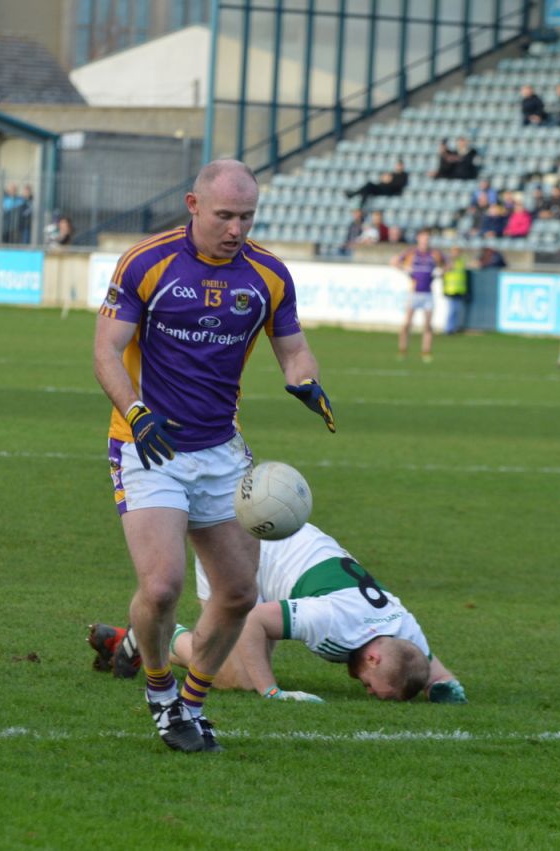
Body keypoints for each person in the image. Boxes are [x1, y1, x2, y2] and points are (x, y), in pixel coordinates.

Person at [92, 159, 335, 753]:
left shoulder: (269, 276)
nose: (236, 228)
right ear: (193, 205)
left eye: (247, 216)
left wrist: (305, 379)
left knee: (238, 594)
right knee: (162, 588)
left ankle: (191, 705)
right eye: (225, 215)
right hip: (147, 443)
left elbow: (294, 347)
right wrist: (138, 412)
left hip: (222, 451)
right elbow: (106, 349)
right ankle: (158, 691)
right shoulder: (147, 262)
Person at [88, 523, 467, 704]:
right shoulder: (332, 619)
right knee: (231, 674)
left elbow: (432, 671)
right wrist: (272, 691)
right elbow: (254, 621)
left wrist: (444, 690)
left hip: (279, 550)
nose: (363, 687)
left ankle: (137, 638)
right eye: (370, 684)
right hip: (242, 549)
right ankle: (150, 635)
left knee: (240, 661)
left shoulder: (405, 632)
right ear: (373, 655)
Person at [392, 228, 445, 362]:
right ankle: (402, 350)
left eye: (427, 238)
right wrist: (405, 270)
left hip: (428, 293)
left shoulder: (435, 254)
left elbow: (448, 264)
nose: (425, 241)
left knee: (428, 324)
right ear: (418, 239)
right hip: (414, 292)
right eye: (423, 238)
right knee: (407, 323)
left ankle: (426, 352)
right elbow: (394, 261)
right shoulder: (411, 253)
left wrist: (441, 272)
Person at [442, 246, 469, 334]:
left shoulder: (461, 262)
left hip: (459, 290)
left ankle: (454, 327)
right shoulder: (448, 262)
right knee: (452, 310)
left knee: (457, 310)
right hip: (451, 290)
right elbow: (443, 272)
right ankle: (449, 329)